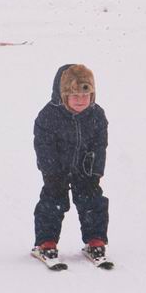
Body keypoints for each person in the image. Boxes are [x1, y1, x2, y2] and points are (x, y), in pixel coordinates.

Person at [31, 64, 110, 265]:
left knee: (93, 201)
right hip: (56, 168)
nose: (80, 100)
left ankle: (95, 240)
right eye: (74, 96)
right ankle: (46, 242)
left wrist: (95, 171)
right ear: (63, 95)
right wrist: (51, 172)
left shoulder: (97, 115)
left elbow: (100, 145)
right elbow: (43, 145)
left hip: (85, 169)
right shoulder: (48, 116)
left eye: (85, 95)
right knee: (52, 201)